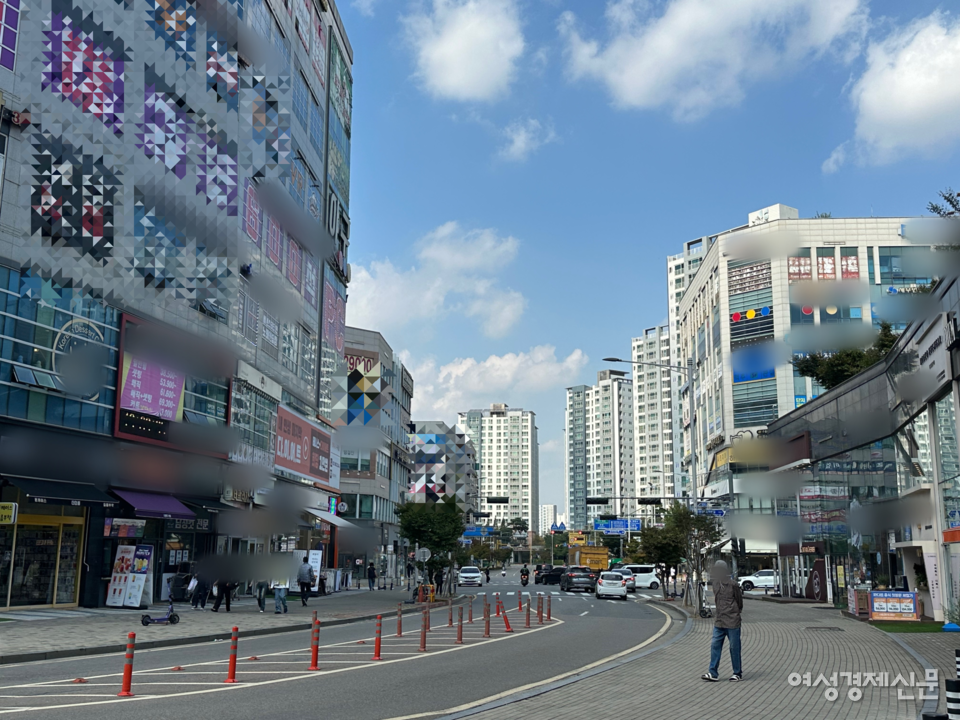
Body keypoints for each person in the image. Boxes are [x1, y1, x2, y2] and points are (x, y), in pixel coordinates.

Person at [702, 560, 743, 682]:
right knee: (715, 645)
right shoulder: (715, 584)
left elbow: (739, 601)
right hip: (719, 620)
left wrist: (736, 612)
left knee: (734, 647)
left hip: (732, 620)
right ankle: (713, 672)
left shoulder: (733, 584)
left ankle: (737, 673)